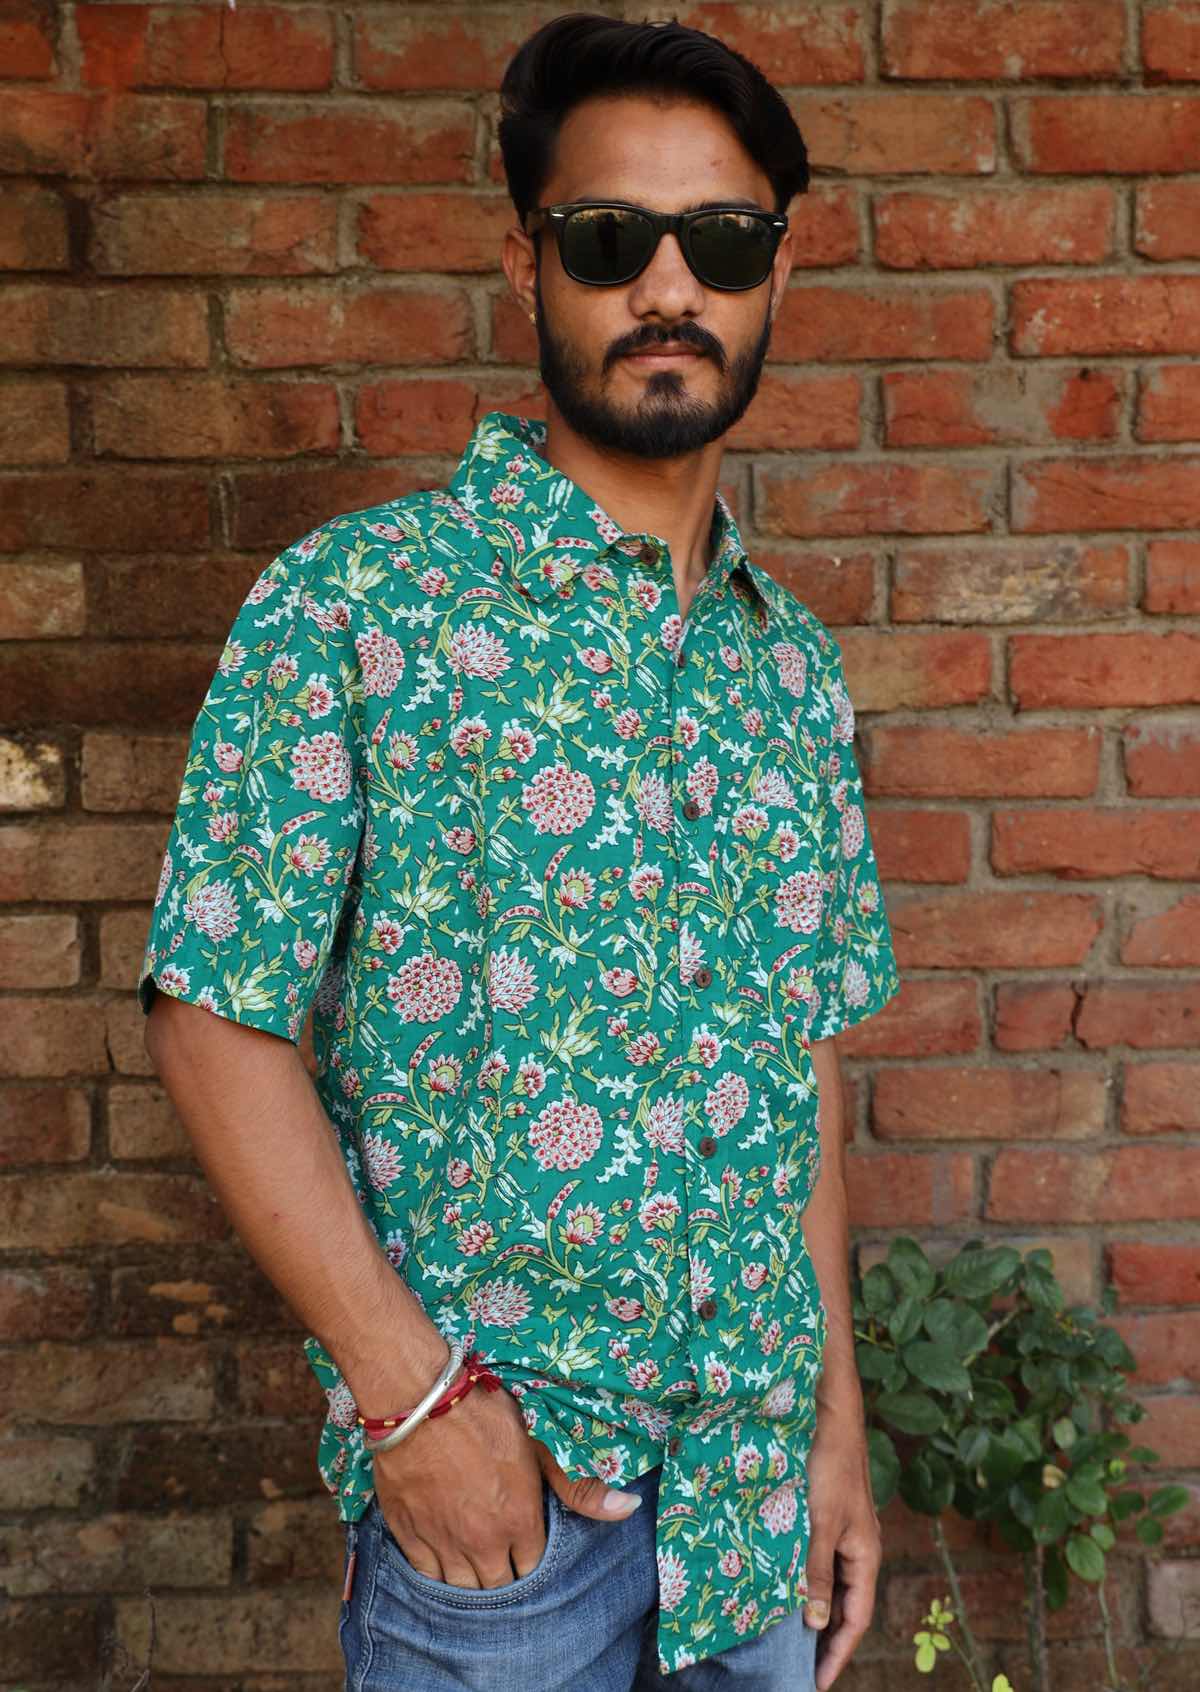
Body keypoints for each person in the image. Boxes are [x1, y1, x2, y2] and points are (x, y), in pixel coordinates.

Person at [138, 12, 900, 1691]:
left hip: (754, 1520)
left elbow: (801, 1069)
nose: (668, 288)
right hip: (505, 1529)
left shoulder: (791, 664)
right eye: (611, 239)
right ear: (528, 262)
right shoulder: (357, 607)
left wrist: (838, 1427)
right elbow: (210, 1014)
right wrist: (411, 1406)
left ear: (777, 269)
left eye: (724, 241)